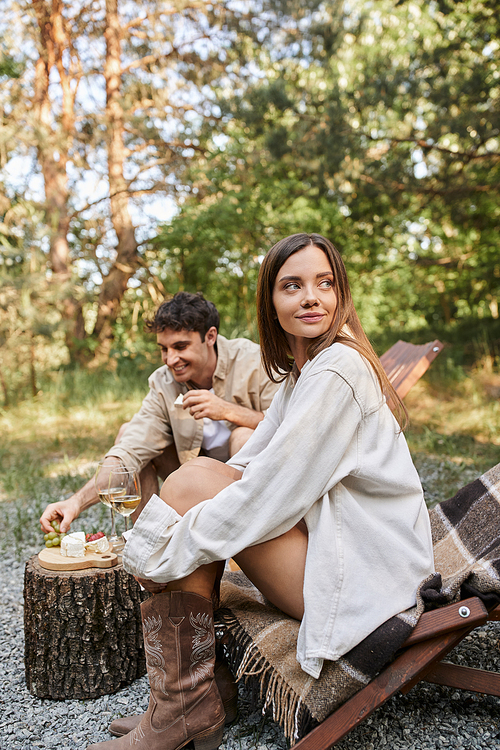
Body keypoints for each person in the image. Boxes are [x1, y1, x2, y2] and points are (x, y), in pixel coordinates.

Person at [86, 233, 435, 750]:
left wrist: (156, 549)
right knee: (195, 480)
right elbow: (255, 463)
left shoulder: (339, 370)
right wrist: (170, 530)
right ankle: (193, 699)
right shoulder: (306, 372)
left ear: (340, 295)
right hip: (336, 542)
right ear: (271, 303)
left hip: (368, 576)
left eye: (325, 283)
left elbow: (269, 499)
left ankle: (184, 706)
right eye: (292, 286)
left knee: (194, 498)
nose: (311, 297)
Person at [40, 292, 279, 534]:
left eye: (180, 346)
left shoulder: (254, 361)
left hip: (248, 485)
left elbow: (288, 426)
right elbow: (130, 449)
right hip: (191, 476)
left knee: (243, 436)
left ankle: (248, 540)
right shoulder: (163, 382)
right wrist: (75, 503)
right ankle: (150, 542)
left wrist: (227, 410)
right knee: (127, 433)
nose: (170, 359)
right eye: (164, 349)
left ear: (210, 336)